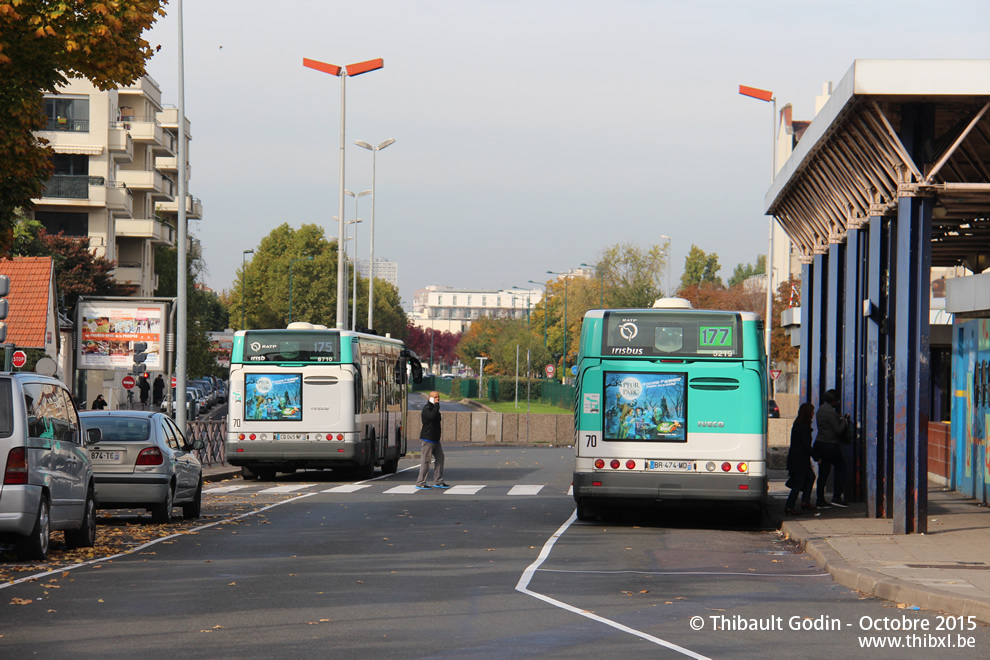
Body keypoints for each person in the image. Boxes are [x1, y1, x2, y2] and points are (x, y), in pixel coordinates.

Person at [814, 389, 850, 508]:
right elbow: (838, 430)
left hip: (820, 443)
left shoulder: (820, 409)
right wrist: (844, 421)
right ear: (833, 401)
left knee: (823, 472)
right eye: (837, 401)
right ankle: (836, 497)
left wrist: (837, 417)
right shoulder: (831, 412)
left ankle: (820, 499)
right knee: (842, 467)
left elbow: (828, 423)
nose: (838, 403)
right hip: (830, 444)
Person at [785, 402, 819, 515]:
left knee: (810, 477)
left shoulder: (798, 424)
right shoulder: (803, 426)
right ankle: (790, 506)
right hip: (800, 460)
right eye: (812, 411)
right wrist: (816, 457)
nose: (813, 413)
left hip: (797, 458)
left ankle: (805, 501)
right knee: (798, 484)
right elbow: (806, 445)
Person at [416, 391, 449, 489]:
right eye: (435, 397)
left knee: (440, 458)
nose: (438, 399)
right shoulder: (427, 408)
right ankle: (420, 482)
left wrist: (436, 406)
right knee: (426, 461)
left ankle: (438, 481)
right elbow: (432, 416)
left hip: (435, 439)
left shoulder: (435, 408)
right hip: (428, 438)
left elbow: (437, 418)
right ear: (430, 398)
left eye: (438, 397)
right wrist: (436, 405)